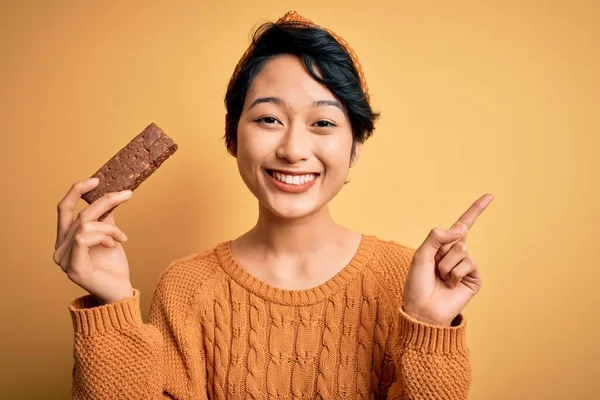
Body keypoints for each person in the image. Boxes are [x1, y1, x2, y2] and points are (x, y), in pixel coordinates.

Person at [54, 10, 494, 400]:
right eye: (269, 119)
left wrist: (429, 327)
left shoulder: (404, 280)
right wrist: (109, 303)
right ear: (232, 136)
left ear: (355, 146)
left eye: (323, 122)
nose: (293, 149)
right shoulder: (186, 287)